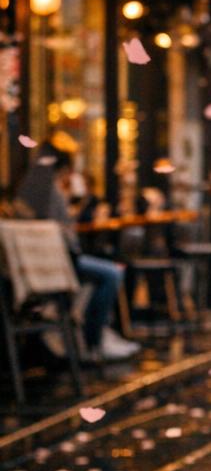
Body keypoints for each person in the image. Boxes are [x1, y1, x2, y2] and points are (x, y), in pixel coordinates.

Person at [14, 138, 140, 360]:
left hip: (34, 267)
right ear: (63, 168)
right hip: (57, 266)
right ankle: (94, 340)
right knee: (113, 272)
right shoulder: (49, 190)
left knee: (113, 265)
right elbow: (61, 231)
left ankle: (98, 335)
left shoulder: (27, 188)